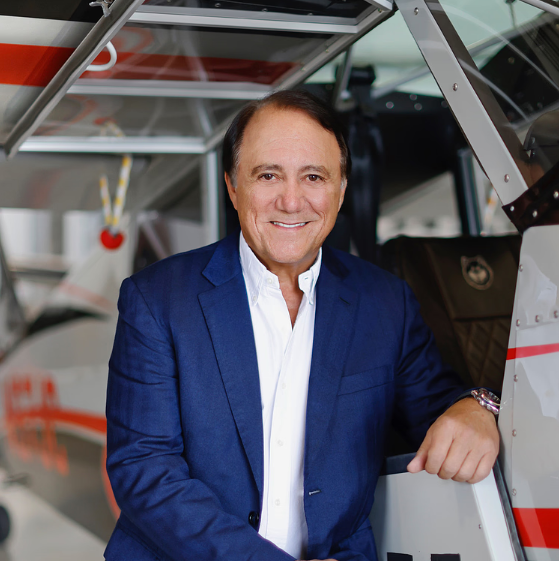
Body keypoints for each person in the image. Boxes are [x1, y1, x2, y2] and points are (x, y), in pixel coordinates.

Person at [104, 90, 499, 561]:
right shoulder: (157, 299)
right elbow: (144, 470)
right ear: (233, 186)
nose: (291, 201)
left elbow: (439, 406)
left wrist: (478, 408)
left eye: (314, 176)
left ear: (341, 190)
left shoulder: (385, 302)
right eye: (268, 175)